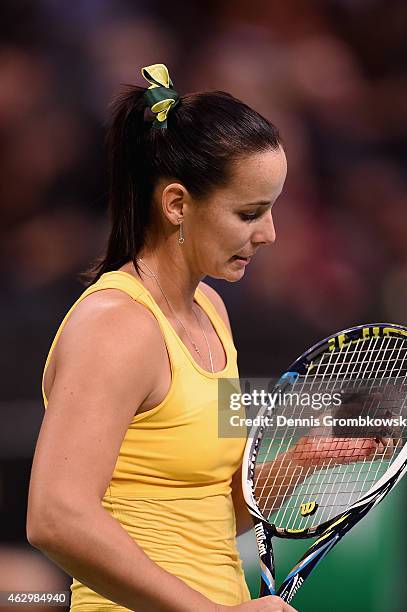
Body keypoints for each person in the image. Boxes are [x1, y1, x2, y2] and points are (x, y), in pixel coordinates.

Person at [26, 64, 294, 611]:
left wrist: (304, 462)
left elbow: (208, 506)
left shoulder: (211, 309)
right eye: (249, 213)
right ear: (176, 204)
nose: (268, 234)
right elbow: (55, 517)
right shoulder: (115, 325)